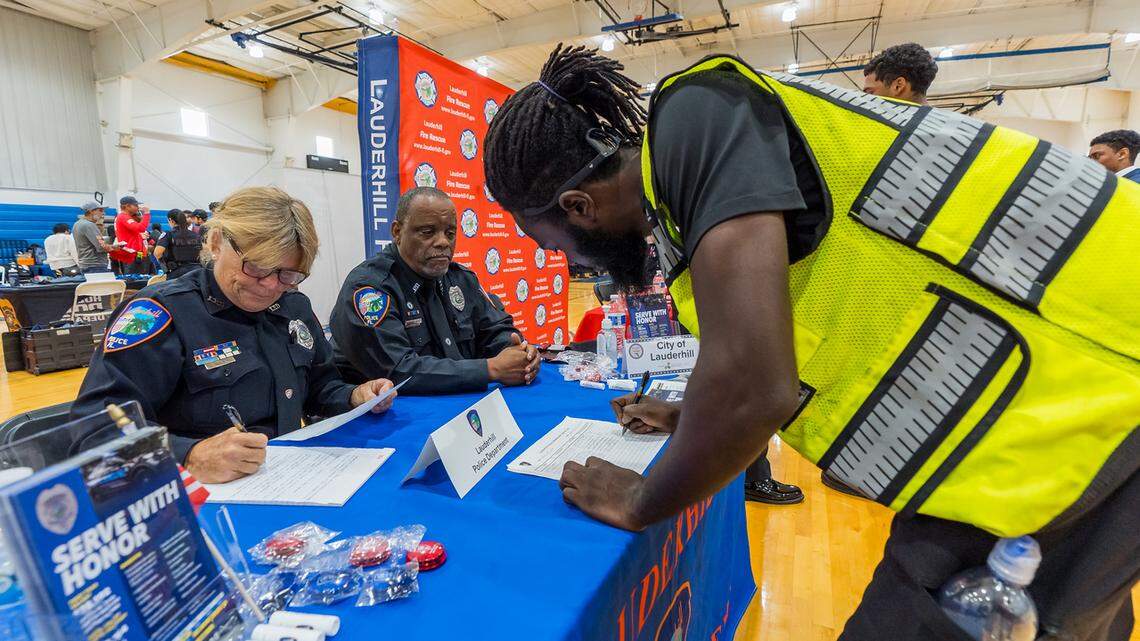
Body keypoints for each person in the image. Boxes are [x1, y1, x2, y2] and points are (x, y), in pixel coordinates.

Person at [483, 45, 1139, 640]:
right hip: (1049, 407)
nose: (574, 263)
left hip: (1090, 383)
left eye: (551, 245)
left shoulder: (693, 114)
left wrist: (637, 500)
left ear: (577, 206)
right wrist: (693, 415)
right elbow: (818, 329)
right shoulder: (682, 193)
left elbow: (754, 385)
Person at [71, 187, 397, 484]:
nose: (271, 286)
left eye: (289, 274)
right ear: (216, 243)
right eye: (256, 267)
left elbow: (319, 386)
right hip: (195, 497)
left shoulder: (293, 306)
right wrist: (188, 454)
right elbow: (95, 433)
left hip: (286, 481)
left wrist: (355, 396)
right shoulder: (158, 314)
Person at [330, 186, 538, 394]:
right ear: (397, 232)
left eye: (450, 233)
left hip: (454, 405)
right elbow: (398, 370)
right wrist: (490, 369)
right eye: (428, 232)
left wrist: (517, 353)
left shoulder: (461, 279)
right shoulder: (371, 289)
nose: (442, 242)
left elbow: (495, 329)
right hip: (385, 416)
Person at [862, 42, 938, 104]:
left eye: (870, 93)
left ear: (898, 86)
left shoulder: (876, 122)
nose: (864, 100)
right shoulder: (946, 120)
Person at [155, 210, 204, 279]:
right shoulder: (195, 235)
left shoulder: (169, 234)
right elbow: (203, 252)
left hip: (177, 272)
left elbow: (157, 253)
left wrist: (165, 268)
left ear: (171, 220)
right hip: (196, 271)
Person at [111, 196, 151, 275]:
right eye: (135, 205)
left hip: (135, 253)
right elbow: (141, 228)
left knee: (140, 281)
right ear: (127, 206)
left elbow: (132, 234)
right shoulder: (123, 217)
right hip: (130, 254)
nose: (138, 208)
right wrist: (146, 214)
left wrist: (140, 236)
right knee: (133, 282)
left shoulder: (125, 217)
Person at [73, 201, 115, 274]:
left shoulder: (77, 224)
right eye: (100, 210)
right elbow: (101, 247)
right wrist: (114, 247)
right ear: (91, 211)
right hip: (95, 265)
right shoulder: (89, 225)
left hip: (85, 264)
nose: (103, 213)